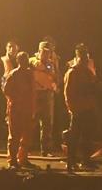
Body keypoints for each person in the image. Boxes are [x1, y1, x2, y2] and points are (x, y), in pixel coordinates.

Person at [63, 44, 98, 172]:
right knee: (74, 136)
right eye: (83, 58)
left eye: (86, 58)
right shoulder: (72, 72)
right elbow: (68, 92)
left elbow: (94, 86)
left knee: (87, 136)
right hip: (77, 109)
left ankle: (86, 160)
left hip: (88, 108)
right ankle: (71, 161)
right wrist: (72, 109)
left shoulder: (88, 72)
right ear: (77, 58)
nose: (85, 61)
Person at [3, 51, 37, 170]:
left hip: (27, 109)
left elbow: (33, 92)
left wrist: (33, 108)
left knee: (26, 135)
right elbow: (6, 90)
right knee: (14, 135)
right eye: (22, 59)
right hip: (16, 109)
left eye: (26, 59)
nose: (25, 62)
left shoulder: (30, 74)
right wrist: (15, 100)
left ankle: (23, 158)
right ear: (18, 61)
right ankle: (12, 160)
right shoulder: (14, 74)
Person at [31, 41, 58, 157]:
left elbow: (55, 77)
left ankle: (46, 150)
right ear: (39, 51)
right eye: (44, 52)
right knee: (31, 121)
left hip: (47, 94)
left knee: (47, 123)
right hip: (35, 94)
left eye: (49, 52)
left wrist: (54, 85)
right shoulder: (32, 61)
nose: (46, 54)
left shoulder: (51, 64)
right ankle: (26, 148)